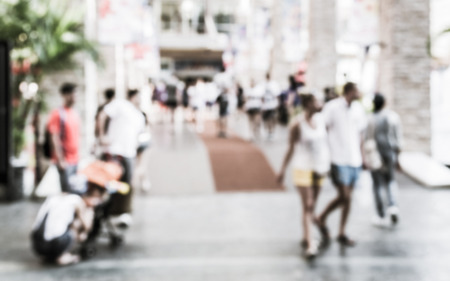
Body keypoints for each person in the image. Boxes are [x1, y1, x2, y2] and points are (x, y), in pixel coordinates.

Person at [277, 94, 330, 258]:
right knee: (308, 204)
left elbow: (325, 144)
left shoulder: (321, 121)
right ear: (308, 104)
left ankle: (307, 234)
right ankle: (310, 243)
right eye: (316, 101)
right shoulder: (297, 124)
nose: (319, 104)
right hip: (302, 168)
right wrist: (282, 170)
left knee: (312, 206)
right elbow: (290, 149)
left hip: (319, 168)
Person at [316, 82, 367, 247]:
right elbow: (322, 130)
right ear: (350, 91)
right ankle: (322, 217)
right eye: (357, 89)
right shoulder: (332, 107)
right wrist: (326, 157)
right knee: (345, 196)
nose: (359, 92)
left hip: (354, 159)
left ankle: (342, 231)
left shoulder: (358, 109)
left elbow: (360, 134)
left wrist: (363, 156)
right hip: (338, 158)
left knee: (348, 198)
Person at [98, 89, 145, 223]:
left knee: (126, 184)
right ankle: (105, 210)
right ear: (134, 96)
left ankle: (121, 212)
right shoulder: (121, 105)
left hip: (129, 154)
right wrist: (101, 136)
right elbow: (102, 115)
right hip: (114, 151)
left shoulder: (139, 116)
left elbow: (138, 140)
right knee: (110, 182)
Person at [31, 184, 104, 265]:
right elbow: (87, 226)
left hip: (37, 245)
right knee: (76, 225)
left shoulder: (53, 198)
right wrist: (90, 212)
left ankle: (49, 256)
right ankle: (62, 256)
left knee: (63, 225)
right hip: (56, 243)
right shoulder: (77, 200)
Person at [368, 93, 402, 225]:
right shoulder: (393, 117)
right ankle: (393, 206)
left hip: (375, 154)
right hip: (389, 153)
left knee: (377, 185)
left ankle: (381, 214)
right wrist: (398, 157)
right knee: (390, 181)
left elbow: (367, 139)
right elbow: (398, 139)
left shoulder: (370, 118)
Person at [47, 83, 81, 193]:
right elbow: (54, 137)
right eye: (72, 94)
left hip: (75, 159)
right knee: (67, 192)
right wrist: (60, 159)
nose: (74, 97)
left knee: (75, 190)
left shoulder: (75, 113)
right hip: (65, 160)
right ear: (65, 95)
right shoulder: (58, 114)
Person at [261, 73, 281, 140]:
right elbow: (262, 96)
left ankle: (271, 131)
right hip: (266, 105)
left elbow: (277, 95)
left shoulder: (274, 84)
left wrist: (277, 103)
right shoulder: (264, 84)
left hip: (272, 105)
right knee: (267, 119)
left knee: (272, 118)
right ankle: (269, 131)